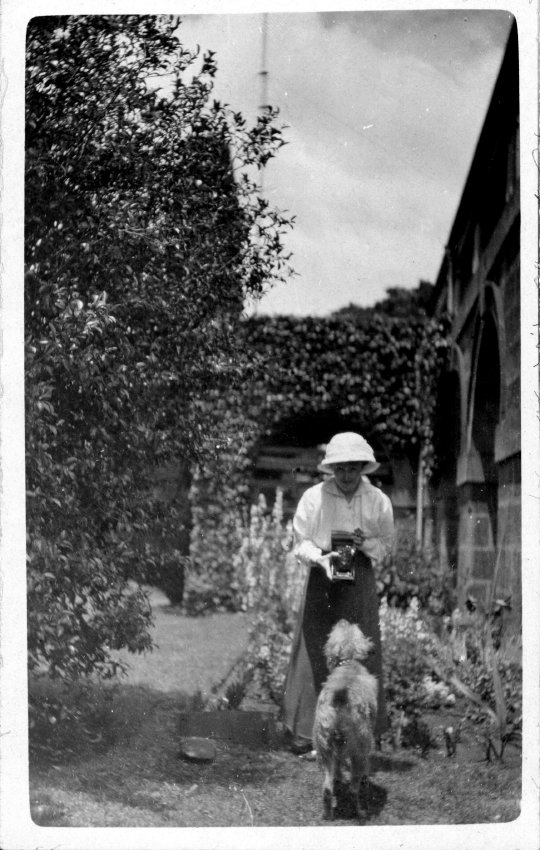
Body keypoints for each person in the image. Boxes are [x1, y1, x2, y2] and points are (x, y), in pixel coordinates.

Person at [283, 431, 394, 755]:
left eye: (353, 468)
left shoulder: (377, 500)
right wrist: (319, 558)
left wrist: (365, 543)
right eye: (340, 469)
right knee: (316, 647)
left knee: (360, 649)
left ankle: (360, 733)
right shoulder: (314, 497)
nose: (346, 476)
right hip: (324, 575)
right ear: (331, 469)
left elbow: (386, 545)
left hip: (359, 579)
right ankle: (309, 733)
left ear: (362, 467)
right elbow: (300, 541)